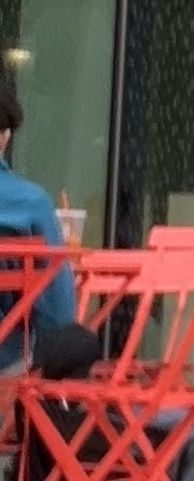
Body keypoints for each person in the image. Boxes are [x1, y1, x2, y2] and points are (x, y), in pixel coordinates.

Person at [0, 84, 91, 371]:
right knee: (79, 343)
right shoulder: (30, 201)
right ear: (4, 137)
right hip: (7, 353)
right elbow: (59, 312)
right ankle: (39, 416)